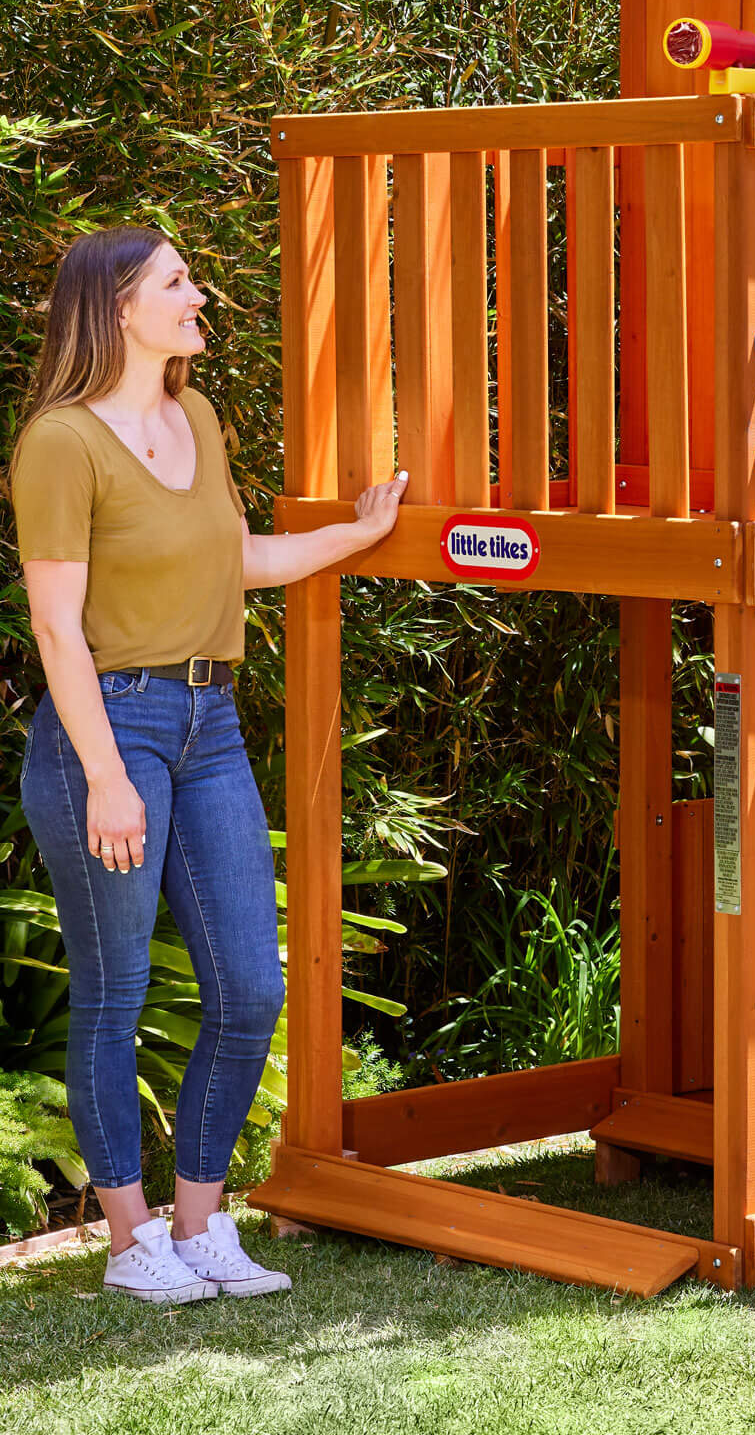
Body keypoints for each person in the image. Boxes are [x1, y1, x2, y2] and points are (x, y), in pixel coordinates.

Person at [11, 226, 406, 1303]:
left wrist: (359, 534)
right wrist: (102, 772)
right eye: (177, 282)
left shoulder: (195, 416)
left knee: (249, 987)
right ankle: (133, 1240)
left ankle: (201, 1223)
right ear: (119, 309)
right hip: (112, 726)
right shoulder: (60, 441)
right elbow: (54, 629)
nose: (199, 296)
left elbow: (242, 560)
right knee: (114, 991)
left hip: (210, 723)